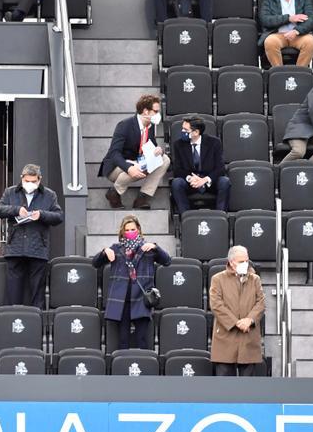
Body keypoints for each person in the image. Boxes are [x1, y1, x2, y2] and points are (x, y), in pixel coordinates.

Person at [93, 215, 170, 351]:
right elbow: (95, 263)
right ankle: (123, 369)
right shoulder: (116, 248)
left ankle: (144, 368)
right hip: (121, 300)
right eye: (127, 230)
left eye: (133, 229)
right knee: (123, 341)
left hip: (141, 298)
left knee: (141, 339)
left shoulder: (147, 248)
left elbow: (167, 261)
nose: (130, 232)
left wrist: (155, 247)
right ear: (122, 232)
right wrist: (104, 252)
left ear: (139, 230)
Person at [0, 164, 64, 308]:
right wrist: (16, 210)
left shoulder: (49, 195)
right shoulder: (10, 192)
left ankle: (37, 323)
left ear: (39, 180)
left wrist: (41, 214)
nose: (30, 184)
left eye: (33, 181)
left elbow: (59, 216)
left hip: (38, 247)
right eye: (27, 181)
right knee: (13, 290)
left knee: (37, 291)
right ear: (22, 178)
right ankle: (11, 320)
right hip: (15, 247)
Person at [98, 94, 170, 210]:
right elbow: (114, 153)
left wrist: (158, 150)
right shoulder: (125, 125)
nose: (158, 115)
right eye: (155, 111)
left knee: (165, 159)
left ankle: (142, 197)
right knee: (137, 165)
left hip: (138, 162)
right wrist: (129, 167)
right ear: (146, 111)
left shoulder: (149, 127)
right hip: (117, 167)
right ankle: (114, 192)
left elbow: (150, 147)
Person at [209, 245, 265, 376]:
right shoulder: (218, 279)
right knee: (225, 388)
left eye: (247, 260)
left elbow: (261, 303)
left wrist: (250, 320)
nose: (245, 264)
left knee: (248, 388)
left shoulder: (255, 279)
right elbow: (216, 305)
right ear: (231, 262)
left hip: (249, 338)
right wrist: (236, 323)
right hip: (225, 339)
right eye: (241, 262)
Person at [258, 0, 313, 67]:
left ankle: (299, 73)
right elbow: (265, 19)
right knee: (270, 42)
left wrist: (297, 31)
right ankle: (279, 72)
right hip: (277, 34)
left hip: (298, 35)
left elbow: (311, 18)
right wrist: (288, 18)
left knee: (310, 42)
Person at [170, 116, 229, 214]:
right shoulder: (178, 144)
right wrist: (190, 178)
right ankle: (185, 217)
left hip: (209, 181)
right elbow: (177, 169)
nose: (182, 131)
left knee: (224, 182)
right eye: (182, 128)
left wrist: (204, 180)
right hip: (190, 182)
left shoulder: (214, 143)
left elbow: (220, 168)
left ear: (196, 132)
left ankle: (220, 216)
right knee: (177, 183)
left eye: (185, 130)